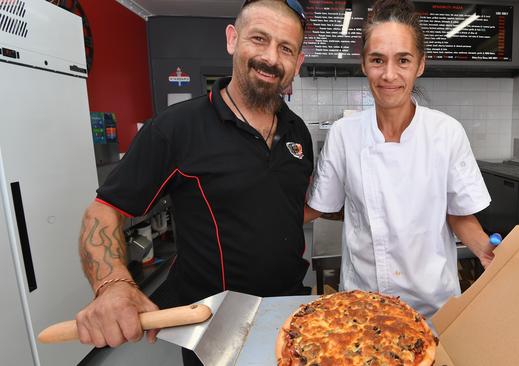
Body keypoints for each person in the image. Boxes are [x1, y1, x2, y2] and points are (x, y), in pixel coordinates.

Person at [75, 1, 312, 365]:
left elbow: (285, 207)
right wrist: (113, 285)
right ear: (232, 39)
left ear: (296, 62)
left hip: (290, 315)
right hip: (213, 324)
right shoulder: (176, 128)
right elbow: (103, 211)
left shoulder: (299, 133)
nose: (270, 57)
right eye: (259, 39)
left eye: (285, 48)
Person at [305, 0, 494, 319]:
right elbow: (319, 206)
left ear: (420, 64)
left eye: (403, 60)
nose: (389, 74)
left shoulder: (446, 132)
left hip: (435, 309)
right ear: (364, 63)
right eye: (377, 60)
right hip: (363, 306)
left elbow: (458, 214)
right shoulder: (344, 134)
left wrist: (489, 254)